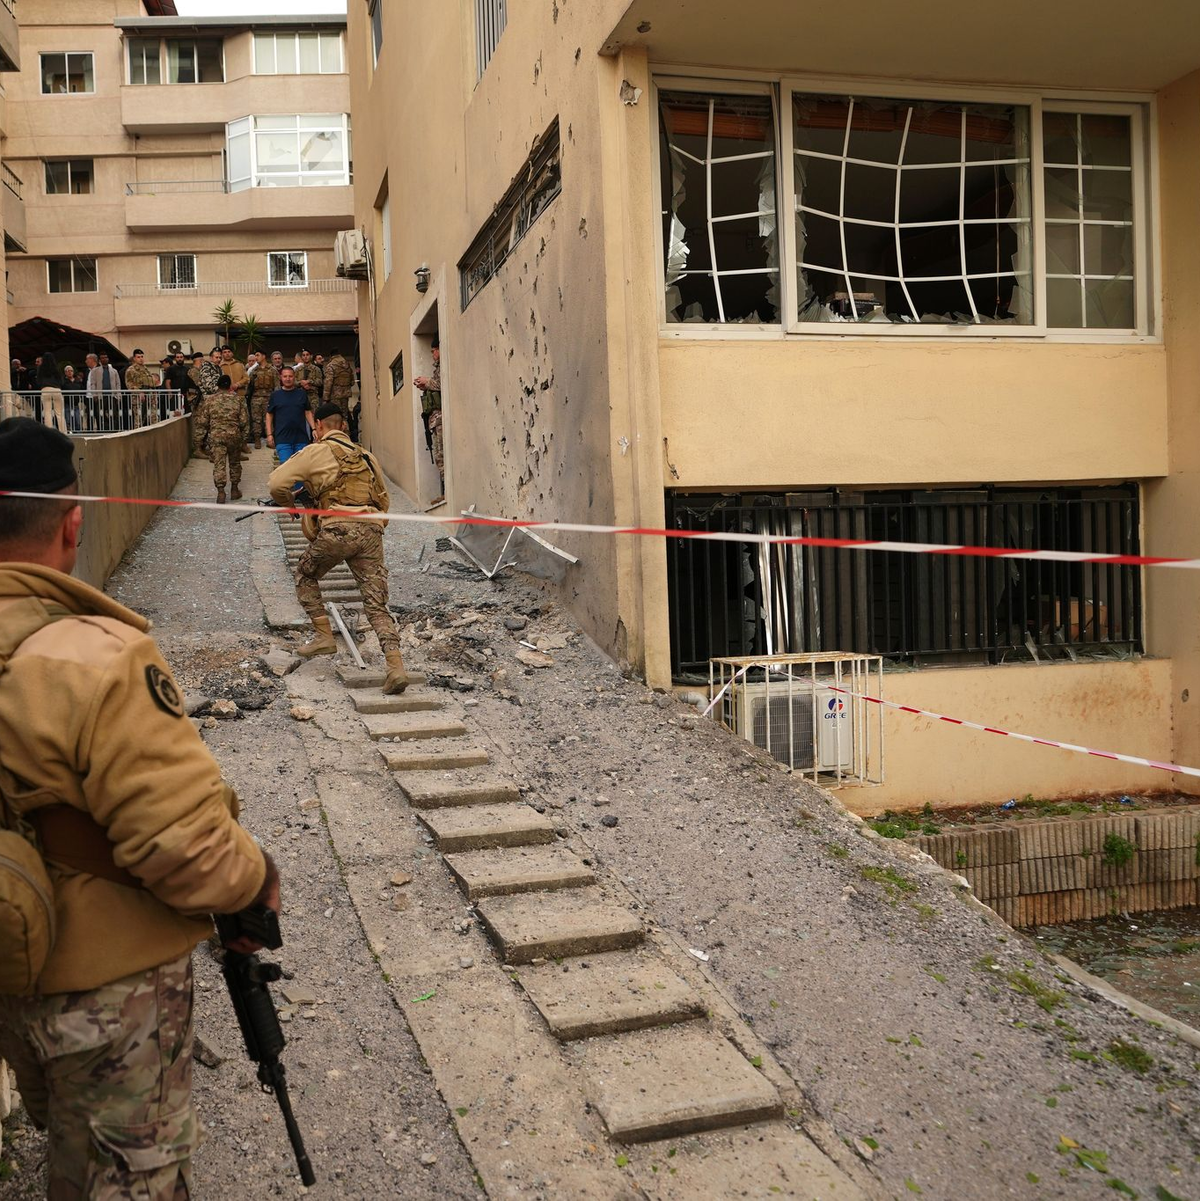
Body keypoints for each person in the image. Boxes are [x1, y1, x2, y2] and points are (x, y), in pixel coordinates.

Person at [0, 418, 279, 1198]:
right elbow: (188, 852)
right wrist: (258, 878)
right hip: (107, 995)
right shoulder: (95, 656)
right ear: (73, 521)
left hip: (13, 972)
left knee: (62, 1136)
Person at [267, 403, 408, 693]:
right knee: (376, 603)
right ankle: (395, 667)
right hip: (371, 530)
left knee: (305, 575)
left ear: (317, 425)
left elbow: (276, 482)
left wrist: (289, 505)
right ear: (342, 425)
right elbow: (384, 502)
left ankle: (323, 636)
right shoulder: (367, 456)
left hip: (338, 529)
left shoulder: (316, 451)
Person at [194, 374, 249, 503]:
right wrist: (243, 439)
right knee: (235, 463)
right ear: (230, 386)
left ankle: (221, 492)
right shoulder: (238, 400)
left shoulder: (209, 400)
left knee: (219, 464)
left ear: (217, 386)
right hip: (234, 436)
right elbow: (244, 421)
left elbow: (202, 422)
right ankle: (234, 490)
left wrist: (199, 441)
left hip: (216, 437)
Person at [413, 338, 444, 502]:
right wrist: (425, 385)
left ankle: (447, 492)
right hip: (435, 418)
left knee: (441, 455)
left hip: (440, 418)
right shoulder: (438, 366)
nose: (432, 355)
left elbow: (442, 383)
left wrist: (428, 382)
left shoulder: (444, 363)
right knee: (439, 455)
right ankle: (445, 492)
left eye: (433, 351)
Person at [265, 366, 314, 466]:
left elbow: (307, 412)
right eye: (285, 376)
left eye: (290, 376)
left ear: (294, 377)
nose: (288, 379)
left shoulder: (302, 394)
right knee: (286, 468)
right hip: (282, 439)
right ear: (281, 377)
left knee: (300, 469)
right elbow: (269, 415)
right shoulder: (275, 395)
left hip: (301, 438)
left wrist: (314, 429)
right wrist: (269, 434)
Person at [188, 351, 221, 457]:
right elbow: (204, 384)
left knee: (207, 425)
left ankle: (202, 448)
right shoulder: (198, 370)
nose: (219, 359)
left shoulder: (214, 369)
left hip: (208, 400)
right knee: (201, 425)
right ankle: (197, 449)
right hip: (201, 402)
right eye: (201, 360)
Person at [246, 350, 278, 449]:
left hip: (269, 398)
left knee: (269, 419)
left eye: (257, 355)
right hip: (255, 398)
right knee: (256, 420)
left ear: (263, 356)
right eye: (255, 355)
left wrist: (276, 399)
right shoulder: (253, 371)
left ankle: (270, 439)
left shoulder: (272, 370)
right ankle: (257, 439)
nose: (256, 357)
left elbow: (277, 386)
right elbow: (249, 386)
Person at [124, 348, 159, 429]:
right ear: (134, 358)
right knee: (139, 416)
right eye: (138, 357)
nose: (141, 359)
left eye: (142, 356)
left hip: (150, 394)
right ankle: (138, 432)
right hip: (138, 396)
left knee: (153, 415)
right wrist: (138, 392)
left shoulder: (145, 369)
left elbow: (150, 381)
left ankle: (154, 430)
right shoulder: (131, 370)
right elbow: (129, 384)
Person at [320, 350, 355, 424]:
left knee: (335, 417)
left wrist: (325, 398)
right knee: (344, 417)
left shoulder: (331, 365)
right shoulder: (347, 364)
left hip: (335, 395)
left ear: (331, 356)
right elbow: (352, 381)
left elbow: (328, 383)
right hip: (346, 394)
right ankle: (346, 433)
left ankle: (337, 434)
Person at [35, 350, 65, 433]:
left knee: (47, 412)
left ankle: (49, 432)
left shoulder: (41, 369)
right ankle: (63, 432)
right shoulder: (57, 369)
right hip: (57, 390)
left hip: (45, 390)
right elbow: (62, 381)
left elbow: (38, 381)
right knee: (59, 413)